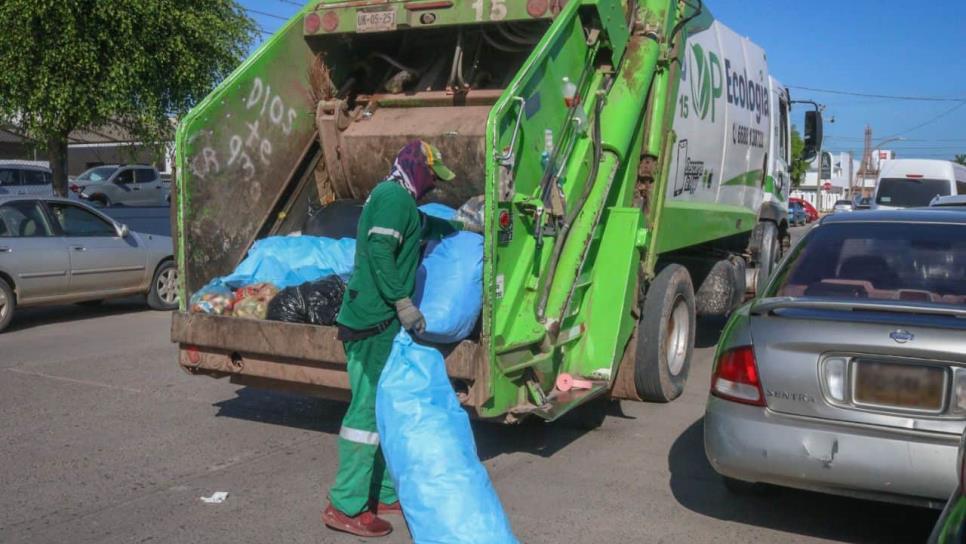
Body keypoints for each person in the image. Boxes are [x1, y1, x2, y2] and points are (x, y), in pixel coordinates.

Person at [323, 140, 474, 537]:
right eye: (432, 178)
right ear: (417, 169)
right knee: (367, 414)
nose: (433, 187)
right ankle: (346, 505)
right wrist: (403, 302)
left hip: (383, 322)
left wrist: (462, 227)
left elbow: (425, 226)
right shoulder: (392, 198)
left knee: (387, 407)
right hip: (371, 320)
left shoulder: (403, 200)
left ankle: (385, 491)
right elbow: (379, 251)